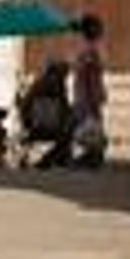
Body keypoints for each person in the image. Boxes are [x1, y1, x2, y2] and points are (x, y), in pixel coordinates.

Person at [49, 13, 109, 169]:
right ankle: (86, 158)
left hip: (86, 94)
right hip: (87, 93)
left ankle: (90, 158)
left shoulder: (90, 52)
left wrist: (92, 96)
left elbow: (89, 75)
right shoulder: (94, 49)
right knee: (86, 126)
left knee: (85, 127)